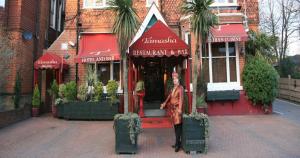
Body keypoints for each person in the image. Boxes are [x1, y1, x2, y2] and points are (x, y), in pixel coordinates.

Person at [160, 72, 184, 152]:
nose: (174, 80)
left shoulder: (180, 88)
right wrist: (164, 103)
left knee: (178, 127)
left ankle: (178, 144)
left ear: (178, 79)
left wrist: (180, 109)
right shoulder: (172, 88)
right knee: (175, 127)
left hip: (177, 110)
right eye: (173, 79)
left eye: (176, 79)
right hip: (173, 110)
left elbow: (181, 99)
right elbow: (169, 97)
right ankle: (177, 142)